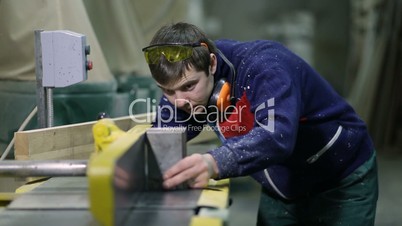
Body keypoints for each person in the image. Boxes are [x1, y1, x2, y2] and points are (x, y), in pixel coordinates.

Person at [141, 22, 378, 226]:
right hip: (282, 186)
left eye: (188, 87)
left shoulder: (266, 68)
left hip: (341, 178)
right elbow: (165, 132)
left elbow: (276, 137)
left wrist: (214, 162)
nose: (178, 101)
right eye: (167, 91)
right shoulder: (183, 85)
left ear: (211, 64)